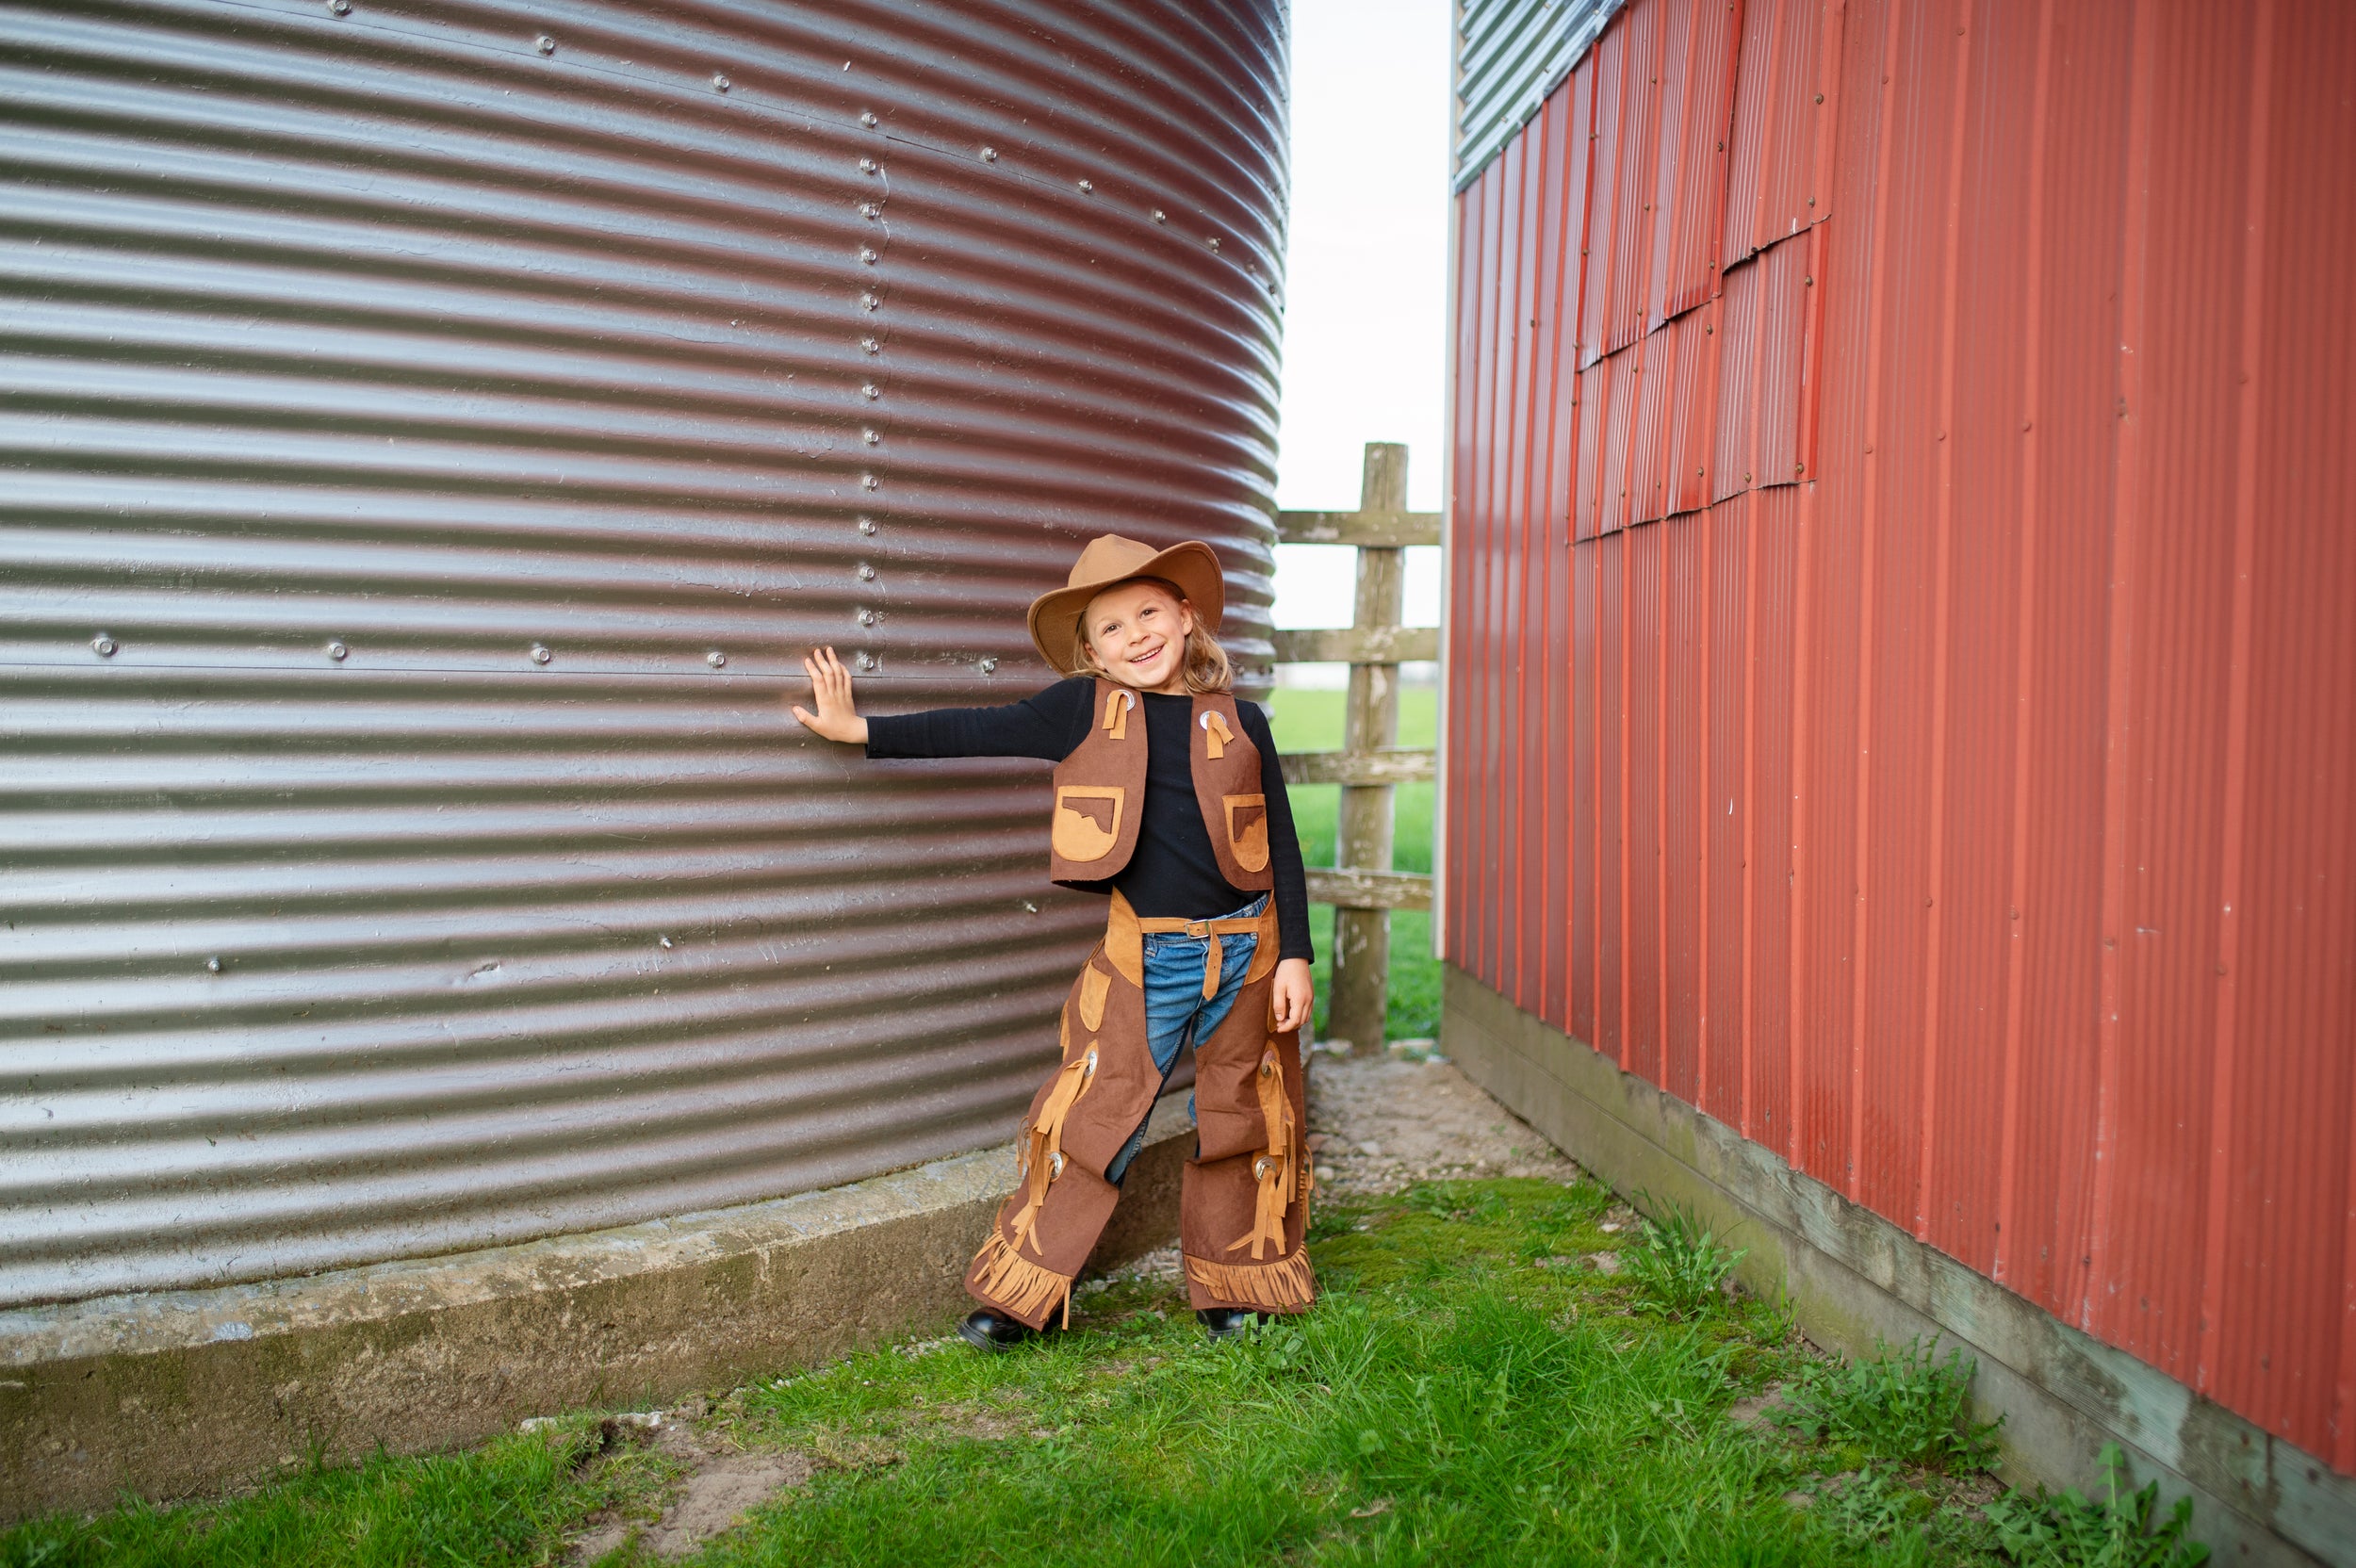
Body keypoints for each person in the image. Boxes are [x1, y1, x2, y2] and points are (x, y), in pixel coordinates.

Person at [791, 534, 1317, 1350]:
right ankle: (1022, 1294)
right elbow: (976, 728)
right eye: (1112, 628)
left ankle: (1235, 1287)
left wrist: (1296, 955)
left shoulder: (1241, 720)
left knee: (1244, 1113)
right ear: (1091, 653)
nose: (1136, 636)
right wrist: (862, 730)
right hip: (1148, 958)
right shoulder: (1081, 711)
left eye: (1149, 613)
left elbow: (1281, 840)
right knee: (1094, 1117)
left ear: (1185, 616)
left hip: (1252, 951)